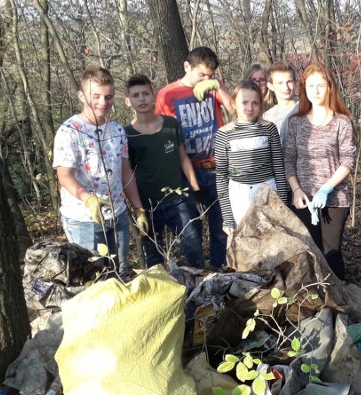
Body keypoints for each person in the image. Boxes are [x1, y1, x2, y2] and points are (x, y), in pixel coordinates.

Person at [53, 65, 148, 276]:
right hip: (83, 219)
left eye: (108, 97)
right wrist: (88, 199)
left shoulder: (117, 130)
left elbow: (125, 172)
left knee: (119, 272)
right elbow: (64, 175)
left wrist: (138, 208)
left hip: (117, 215)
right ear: (81, 95)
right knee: (92, 278)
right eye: (95, 96)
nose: (102, 103)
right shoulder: (68, 132)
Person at [156, 46, 233, 269]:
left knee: (221, 227)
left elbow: (234, 111)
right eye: (201, 74)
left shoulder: (214, 87)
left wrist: (218, 86)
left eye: (210, 75)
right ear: (187, 67)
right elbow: (164, 135)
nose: (205, 79)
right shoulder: (167, 94)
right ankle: (196, 272)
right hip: (185, 169)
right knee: (191, 229)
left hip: (217, 165)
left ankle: (218, 270)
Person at [284, 62, 356, 281]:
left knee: (330, 253)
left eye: (320, 86)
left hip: (333, 200)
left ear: (329, 88)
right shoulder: (295, 123)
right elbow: (288, 160)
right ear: (304, 89)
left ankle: (339, 304)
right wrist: (296, 191)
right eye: (310, 86)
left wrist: (326, 188)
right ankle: (314, 303)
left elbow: (348, 160)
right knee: (307, 254)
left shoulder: (342, 122)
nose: (315, 91)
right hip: (303, 200)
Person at [124, 74, 204, 269]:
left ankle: (199, 289)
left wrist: (195, 188)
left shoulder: (170, 124)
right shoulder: (126, 134)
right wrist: (137, 208)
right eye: (135, 95)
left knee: (193, 248)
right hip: (148, 204)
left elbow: (183, 157)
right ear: (127, 101)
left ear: (153, 96)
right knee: (153, 258)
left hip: (179, 199)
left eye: (145, 94)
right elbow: (127, 172)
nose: (141, 99)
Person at [215, 80, 289, 234]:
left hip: (268, 193)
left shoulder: (269, 128)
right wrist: (227, 216)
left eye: (255, 103)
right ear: (234, 103)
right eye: (244, 102)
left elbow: (279, 169)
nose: (250, 108)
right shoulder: (224, 134)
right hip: (239, 196)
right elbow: (221, 177)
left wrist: (283, 206)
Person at [262, 61, 299, 142]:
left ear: (295, 82)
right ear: (270, 86)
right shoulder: (267, 117)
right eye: (280, 83)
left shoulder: (305, 109)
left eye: (289, 82)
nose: (286, 88)